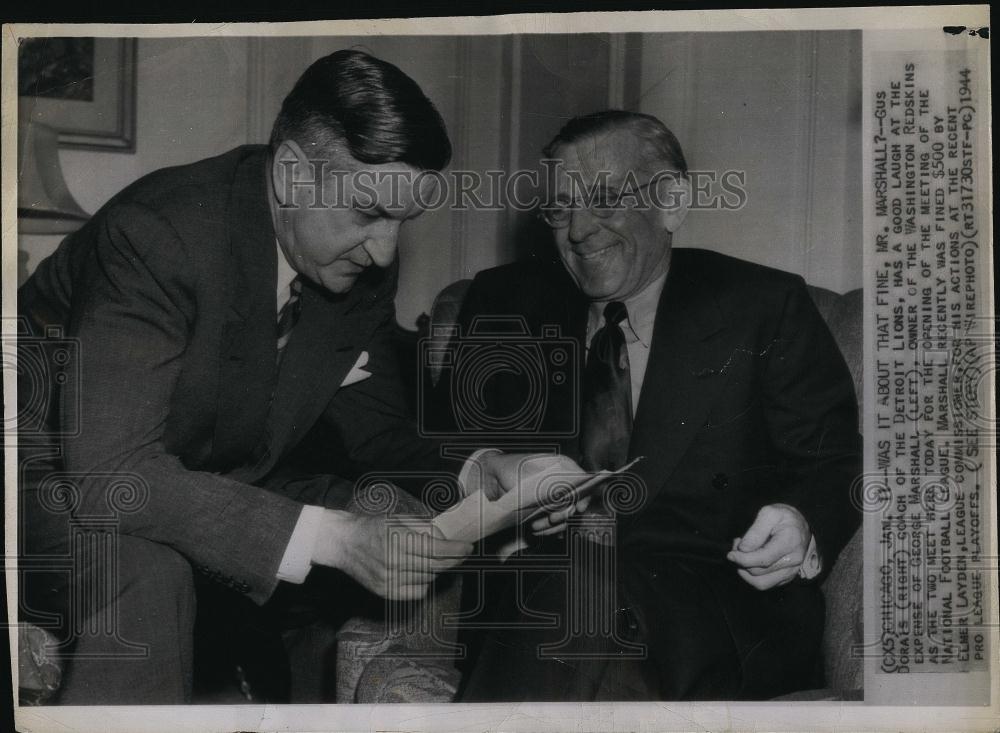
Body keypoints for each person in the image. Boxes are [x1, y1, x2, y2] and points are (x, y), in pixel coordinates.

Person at [16, 49, 579, 704]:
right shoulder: (159, 234)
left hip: (203, 466)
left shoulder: (356, 259)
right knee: (147, 571)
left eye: (402, 221)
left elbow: (377, 432)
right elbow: (113, 475)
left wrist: (483, 473)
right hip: (49, 480)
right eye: (368, 212)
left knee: (390, 512)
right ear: (291, 175)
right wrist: (333, 537)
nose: (385, 252)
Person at [440, 110, 862, 700]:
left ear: (671, 202)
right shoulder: (502, 303)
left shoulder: (762, 306)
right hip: (541, 602)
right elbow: (438, 449)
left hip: (716, 607)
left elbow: (834, 461)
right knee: (575, 614)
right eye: (560, 207)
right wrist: (492, 477)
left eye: (605, 199)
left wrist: (801, 521)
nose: (580, 229)